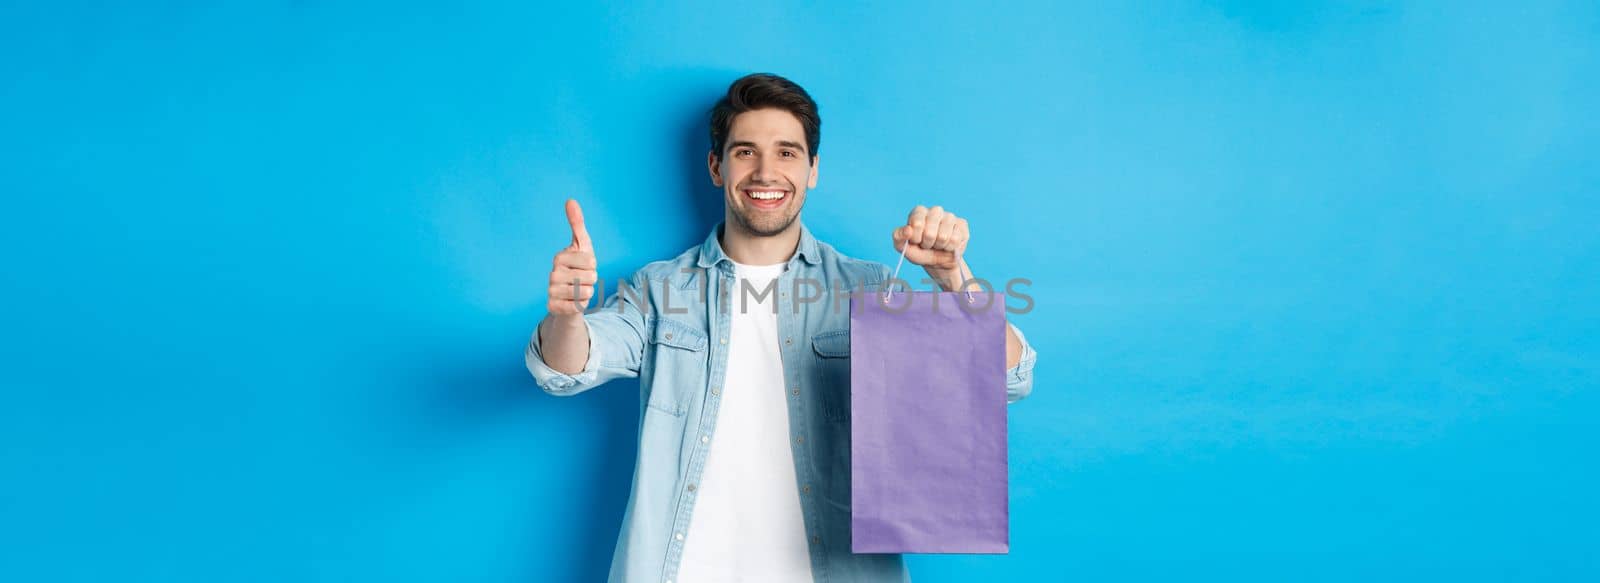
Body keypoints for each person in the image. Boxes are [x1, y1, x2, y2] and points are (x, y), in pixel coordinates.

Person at [526, 73, 1038, 583]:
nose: (766, 171)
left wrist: (955, 279)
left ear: (813, 168)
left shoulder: (871, 288)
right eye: (745, 151)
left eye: (787, 153)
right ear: (716, 167)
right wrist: (567, 315)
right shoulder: (658, 289)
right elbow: (566, 369)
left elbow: (1007, 380)